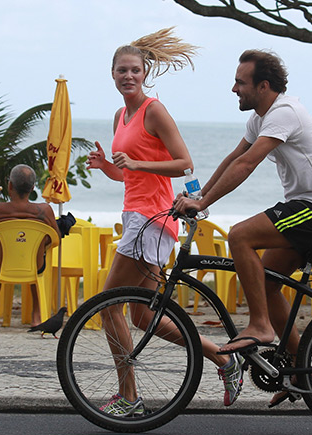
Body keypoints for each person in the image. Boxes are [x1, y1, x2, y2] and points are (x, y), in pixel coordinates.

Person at [174, 50, 312, 403]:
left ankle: (260, 327)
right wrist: (198, 196)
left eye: (240, 82)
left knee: (240, 235)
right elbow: (234, 158)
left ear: (263, 86)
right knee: (267, 282)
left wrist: (204, 203)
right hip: (304, 205)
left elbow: (249, 164)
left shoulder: (284, 113)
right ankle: (300, 372)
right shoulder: (260, 118)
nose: (234, 88)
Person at [87, 27, 243, 415]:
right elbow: (130, 175)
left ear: (145, 73)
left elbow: (184, 163)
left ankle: (129, 396)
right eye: (121, 70)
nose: (128, 76)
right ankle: (222, 358)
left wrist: (138, 162)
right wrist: (109, 166)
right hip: (136, 216)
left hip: (151, 220)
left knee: (110, 306)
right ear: (112, 74)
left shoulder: (154, 110)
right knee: (141, 316)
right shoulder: (121, 116)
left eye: (135, 70)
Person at [0, 164, 60, 327]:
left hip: (0, 265)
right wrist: (38, 244)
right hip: (35, 266)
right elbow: (56, 238)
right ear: (33, 188)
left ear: (9, 185)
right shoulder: (44, 210)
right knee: (36, 254)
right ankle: (36, 315)